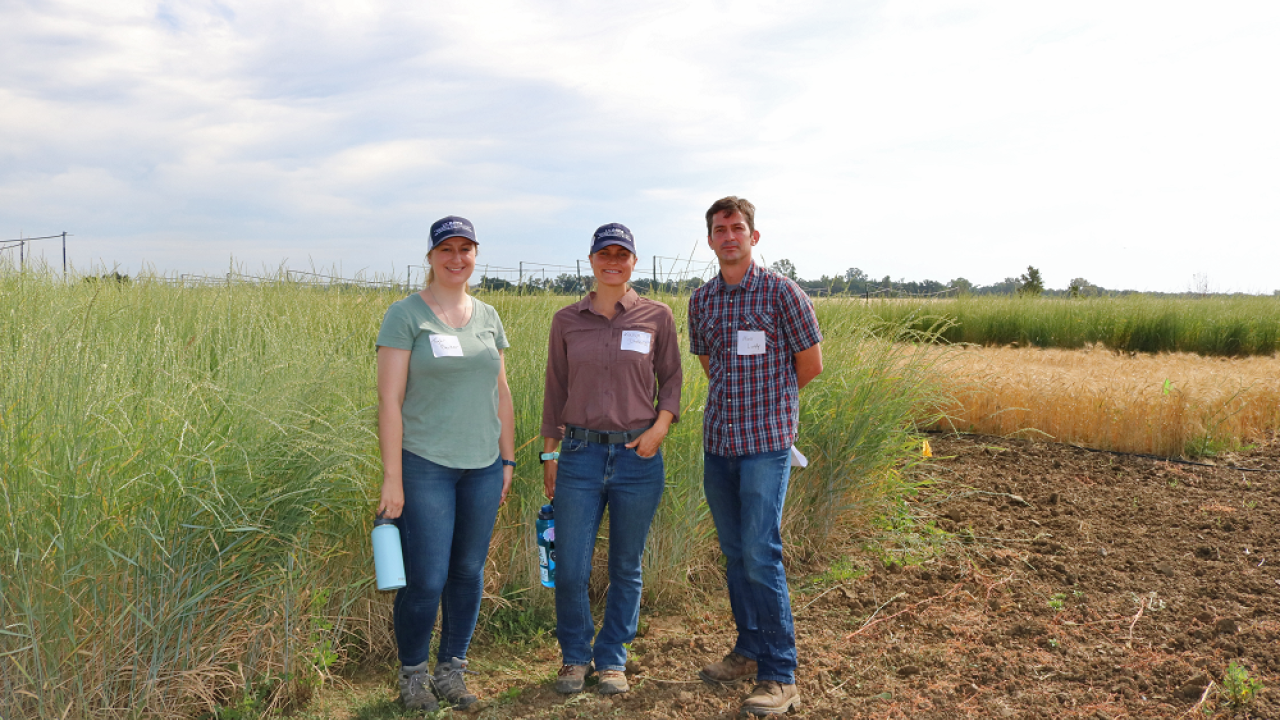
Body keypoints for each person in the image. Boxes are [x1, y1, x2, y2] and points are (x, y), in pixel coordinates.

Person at [375, 215, 517, 712]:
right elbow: (389, 401)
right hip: (425, 465)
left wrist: (507, 460)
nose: (457, 259)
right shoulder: (406, 315)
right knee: (427, 578)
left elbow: (501, 391)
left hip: (481, 467)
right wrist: (393, 478)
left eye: (466, 249)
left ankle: (452, 670)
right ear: (431, 257)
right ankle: (413, 674)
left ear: (476, 255)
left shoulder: (488, 316)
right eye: (447, 250)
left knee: (467, 572)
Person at [688, 197, 823, 716]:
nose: (729, 236)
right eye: (720, 229)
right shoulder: (702, 300)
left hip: (766, 446)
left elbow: (808, 364)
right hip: (719, 445)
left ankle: (780, 673)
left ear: (754, 236)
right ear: (711, 239)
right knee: (734, 552)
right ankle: (748, 650)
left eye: (737, 227)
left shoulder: (782, 293)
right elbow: (708, 362)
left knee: (761, 552)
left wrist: (770, 410)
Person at [541, 223, 683, 696]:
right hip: (579, 457)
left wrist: (658, 431)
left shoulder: (656, 316)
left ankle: (612, 660)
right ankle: (575, 657)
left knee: (626, 565)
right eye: (605, 253)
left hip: (636, 458)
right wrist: (550, 453)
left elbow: (673, 382)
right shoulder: (567, 320)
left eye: (623, 254)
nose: (613, 262)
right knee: (572, 568)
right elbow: (554, 390)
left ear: (634, 262)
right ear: (592, 260)